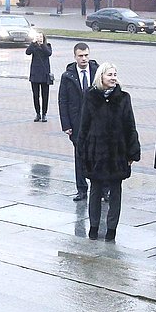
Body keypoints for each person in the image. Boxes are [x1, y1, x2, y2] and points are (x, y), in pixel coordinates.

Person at [78, 62, 141, 242]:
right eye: (109, 75)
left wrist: (132, 152)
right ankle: (94, 226)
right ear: (101, 77)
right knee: (95, 190)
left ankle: (112, 228)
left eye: (115, 74)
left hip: (116, 152)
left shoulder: (123, 98)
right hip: (95, 152)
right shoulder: (90, 96)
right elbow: (84, 124)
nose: (113, 78)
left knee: (115, 191)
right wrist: (82, 150)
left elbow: (130, 125)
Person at [59, 43, 98, 202]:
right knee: (80, 156)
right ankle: (81, 189)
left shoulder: (97, 72)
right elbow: (63, 101)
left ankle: (102, 189)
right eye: (81, 56)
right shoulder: (68, 76)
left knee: (98, 156)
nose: (84, 59)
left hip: (96, 123)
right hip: (77, 124)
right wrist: (66, 125)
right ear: (75, 57)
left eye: (86, 55)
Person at [26, 33, 54, 122]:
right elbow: (27, 52)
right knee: (35, 95)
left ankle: (44, 114)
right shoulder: (33, 46)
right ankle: (37, 113)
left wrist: (42, 45)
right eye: (38, 37)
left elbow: (48, 53)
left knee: (45, 96)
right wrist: (33, 43)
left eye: (41, 37)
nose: (39, 38)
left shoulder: (47, 46)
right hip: (35, 74)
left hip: (44, 74)